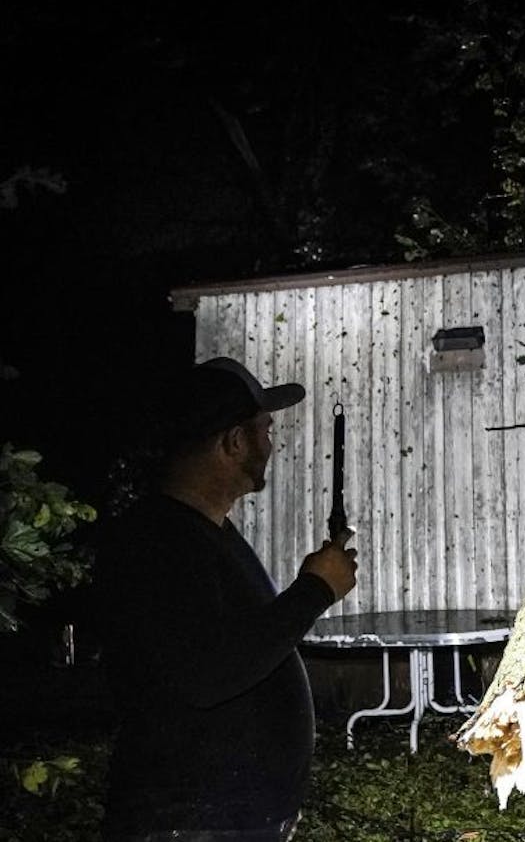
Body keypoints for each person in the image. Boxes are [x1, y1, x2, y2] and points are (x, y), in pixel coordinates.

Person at [92, 356, 359, 841]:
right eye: (266, 431)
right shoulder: (158, 542)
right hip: (184, 827)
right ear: (234, 442)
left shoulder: (204, 533)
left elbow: (237, 644)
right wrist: (315, 590)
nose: (271, 444)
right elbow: (208, 673)